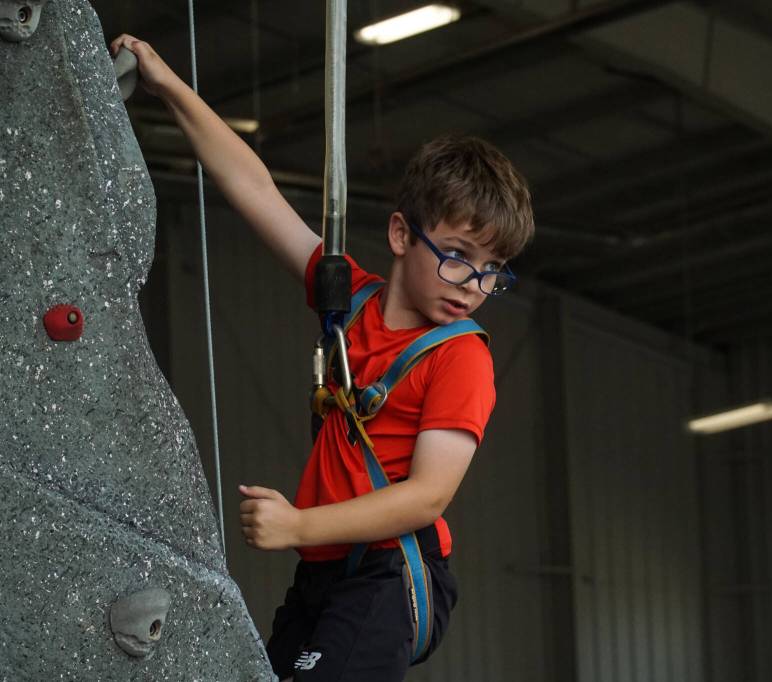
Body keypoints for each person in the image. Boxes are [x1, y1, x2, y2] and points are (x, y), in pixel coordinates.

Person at [110, 34, 534, 682]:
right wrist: (167, 83)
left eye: (491, 271)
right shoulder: (348, 301)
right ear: (400, 234)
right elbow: (252, 187)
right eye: (456, 256)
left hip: (390, 578)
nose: (472, 285)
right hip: (324, 577)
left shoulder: (459, 360)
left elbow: (426, 497)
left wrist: (300, 524)